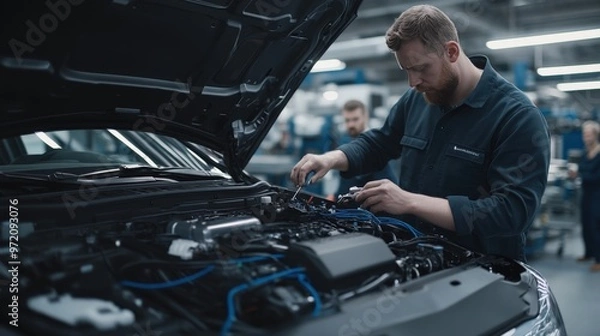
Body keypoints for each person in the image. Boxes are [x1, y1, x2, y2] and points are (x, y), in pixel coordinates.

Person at [290, 5, 550, 261]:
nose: (413, 82)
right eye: (406, 71)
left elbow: (510, 212)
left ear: (451, 51)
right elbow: (381, 142)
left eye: (421, 68)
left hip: (482, 270)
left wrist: (410, 202)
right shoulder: (417, 98)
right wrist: (331, 159)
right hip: (417, 255)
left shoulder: (517, 117)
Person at [335, 100, 398, 198]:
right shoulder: (344, 141)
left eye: (355, 119)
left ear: (366, 117)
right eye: (347, 120)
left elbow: (385, 185)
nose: (351, 125)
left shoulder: (377, 146)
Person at [570, 121, 600, 271]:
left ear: (595, 135)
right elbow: (582, 169)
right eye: (584, 134)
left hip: (597, 193)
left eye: (589, 134)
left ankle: (599, 259)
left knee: (596, 225)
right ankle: (588, 253)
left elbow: (597, 176)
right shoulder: (585, 153)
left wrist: (580, 175)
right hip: (586, 192)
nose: (586, 137)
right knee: (586, 224)